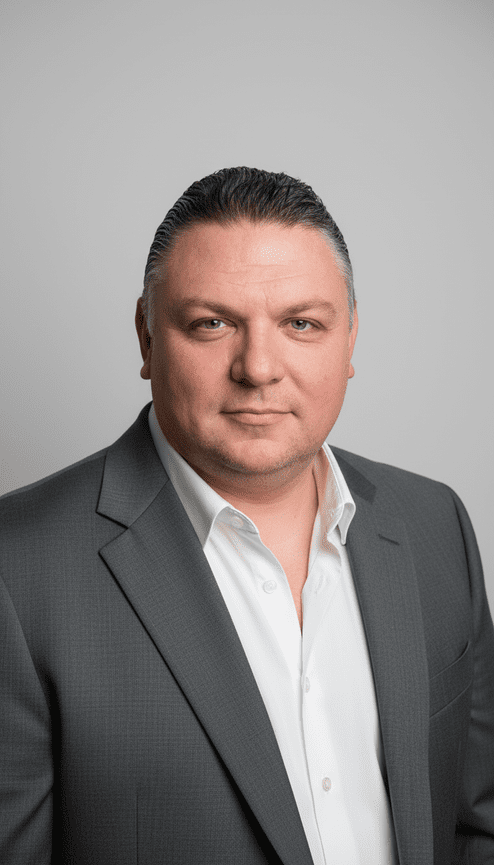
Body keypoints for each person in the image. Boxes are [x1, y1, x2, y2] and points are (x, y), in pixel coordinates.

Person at [1, 167, 493, 865]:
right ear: (146, 337)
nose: (258, 367)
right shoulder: (17, 571)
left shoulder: (435, 524)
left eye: (301, 323)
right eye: (212, 323)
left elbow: (479, 822)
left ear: (350, 338)